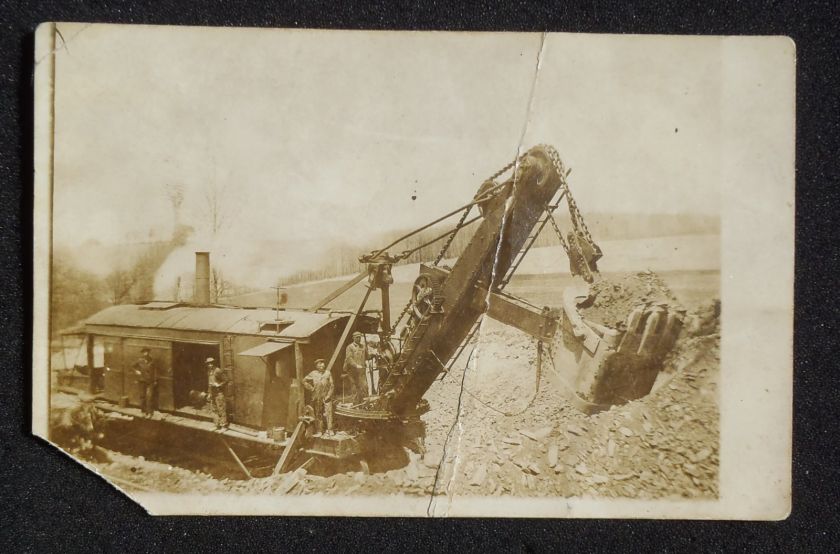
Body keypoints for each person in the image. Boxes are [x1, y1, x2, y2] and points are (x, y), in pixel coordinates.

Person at [303, 359, 334, 435]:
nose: (322, 365)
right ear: (316, 366)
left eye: (323, 364)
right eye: (320, 364)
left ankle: (330, 430)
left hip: (326, 396)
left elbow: (332, 385)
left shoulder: (328, 373)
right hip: (317, 396)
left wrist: (329, 395)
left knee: (329, 412)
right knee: (318, 413)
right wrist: (311, 388)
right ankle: (319, 430)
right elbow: (304, 380)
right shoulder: (313, 373)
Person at [343, 332, 369, 403]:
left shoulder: (363, 347)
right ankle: (355, 404)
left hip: (361, 371)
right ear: (353, 338)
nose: (358, 338)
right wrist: (356, 365)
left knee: (364, 386)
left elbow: (367, 357)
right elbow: (349, 358)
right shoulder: (349, 347)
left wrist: (374, 355)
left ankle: (364, 404)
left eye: (359, 337)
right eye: (357, 337)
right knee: (354, 388)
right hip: (352, 371)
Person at [132, 348, 157, 417]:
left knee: (149, 397)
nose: (146, 353)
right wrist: (136, 371)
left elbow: (155, 371)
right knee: (142, 396)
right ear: (142, 353)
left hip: (150, 381)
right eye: (144, 352)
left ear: (149, 353)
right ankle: (143, 411)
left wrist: (155, 380)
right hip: (142, 381)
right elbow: (133, 366)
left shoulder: (152, 360)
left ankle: (149, 413)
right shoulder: (139, 360)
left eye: (147, 352)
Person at [206, 357, 229, 429]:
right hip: (213, 393)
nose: (210, 365)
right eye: (208, 363)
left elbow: (226, 380)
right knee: (214, 409)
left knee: (221, 409)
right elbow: (209, 384)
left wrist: (219, 385)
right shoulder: (209, 372)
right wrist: (209, 393)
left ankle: (224, 426)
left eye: (211, 363)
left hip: (219, 393)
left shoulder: (218, 370)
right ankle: (217, 425)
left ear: (214, 363)